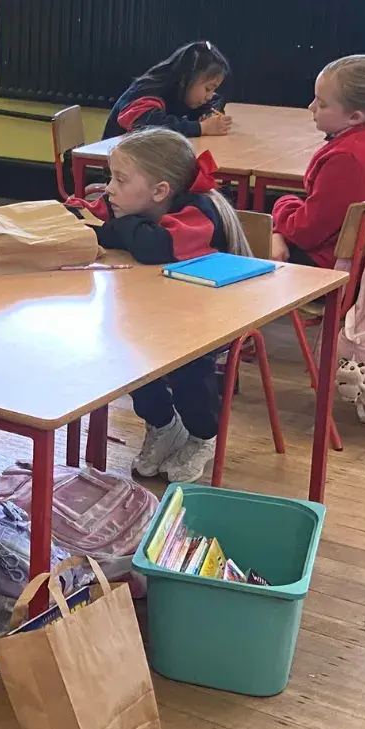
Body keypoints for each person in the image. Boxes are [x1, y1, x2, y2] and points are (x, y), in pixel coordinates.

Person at [81, 128, 251, 483]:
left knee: (189, 372)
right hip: (153, 315)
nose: (109, 188)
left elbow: (153, 246)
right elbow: (89, 219)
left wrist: (114, 228)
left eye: (120, 180)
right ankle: (163, 425)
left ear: (160, 191)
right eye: (110, 177)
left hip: (207, 324)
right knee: (125, 357)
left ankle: (204, 436)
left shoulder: (201, 213)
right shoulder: (132, 202)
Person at [270, 55, 365, 267]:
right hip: (362, 267)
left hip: (332, 271)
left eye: (321, 104)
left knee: (246, 237)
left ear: (355, 117)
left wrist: (281, 204)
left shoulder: (346, 158)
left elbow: (304, 234)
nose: (311, 107)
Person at [102, 41, 234, 141]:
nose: (210, 96)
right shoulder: (148, 91)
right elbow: (150, 126)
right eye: (208, 89)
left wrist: (207, 115)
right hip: (116, 168)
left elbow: (214, 101)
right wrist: (202, 128)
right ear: (185, 79)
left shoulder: (182, 94)